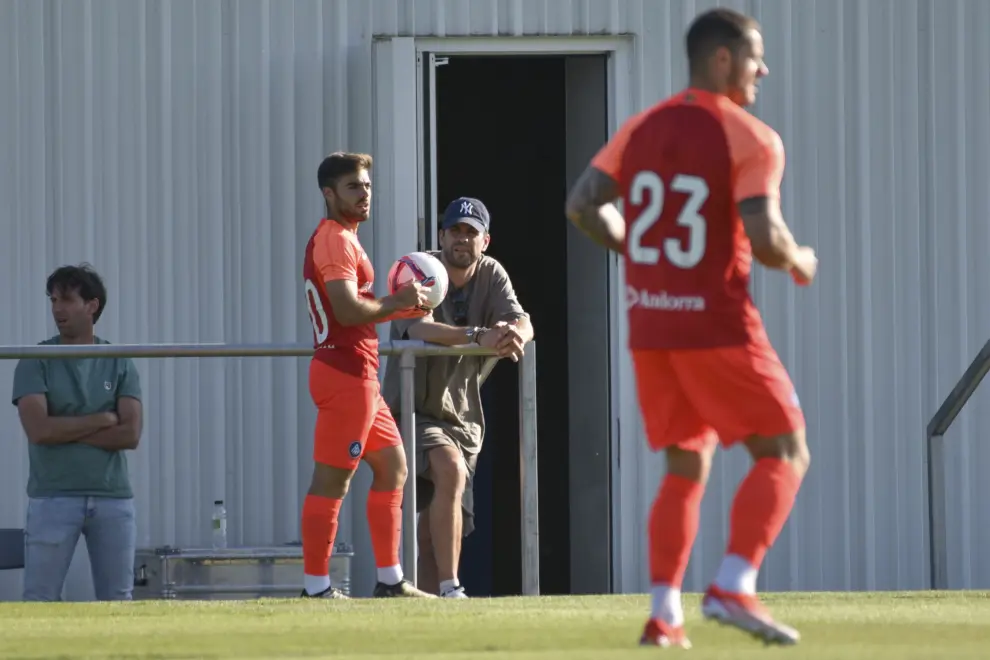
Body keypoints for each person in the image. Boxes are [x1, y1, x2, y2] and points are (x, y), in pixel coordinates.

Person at [564, 8, 818, 649]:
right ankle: (733, 584)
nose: (764, 69)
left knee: (684, 465)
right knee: (785, 451)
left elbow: (582, 205)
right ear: (723, 58)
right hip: (717, 322)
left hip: (651, 323)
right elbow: (763, 238)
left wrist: (638, 250)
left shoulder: (642, 126)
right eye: (755, 56)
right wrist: (799, 258)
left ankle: (664, 614)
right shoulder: (753, 137)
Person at [300, 151, 436, 599]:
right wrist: (396, 304)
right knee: (333, 480)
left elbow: (356, 311)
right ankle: (316, 588)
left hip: (360, 373)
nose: (364, 194)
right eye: (354, 186)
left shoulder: (345, 238)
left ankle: (391, 581)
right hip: (345, 374)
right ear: (329, 193)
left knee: (394, 468)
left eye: (367, 186)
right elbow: (345, 309)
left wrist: (399, 304)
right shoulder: (335, 239)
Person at [382, 196, 532, 598]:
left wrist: (515, 333)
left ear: (485, 240)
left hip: (461, 416)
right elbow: (418, 328)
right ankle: (451, 589)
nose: (461, 240)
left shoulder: (492, 273)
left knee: (434, 532)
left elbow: (521, 318)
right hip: (410, 409)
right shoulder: (418, 269)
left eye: (471, 232)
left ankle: (434, 616)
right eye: (455, 231)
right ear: (441, 235)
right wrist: (478, 336)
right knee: (448, 469)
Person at [11, 264, 144, 602]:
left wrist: (65, 428)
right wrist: (101, 419)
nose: (57, 308)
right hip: (52, 497)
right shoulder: (35, 359)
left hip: (113, 497)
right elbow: (38, 430)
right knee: (39, 600)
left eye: (67, 299)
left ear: (92, 305)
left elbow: (130, 435)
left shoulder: (120, 360)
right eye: (53, 299)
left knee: (119, 600)